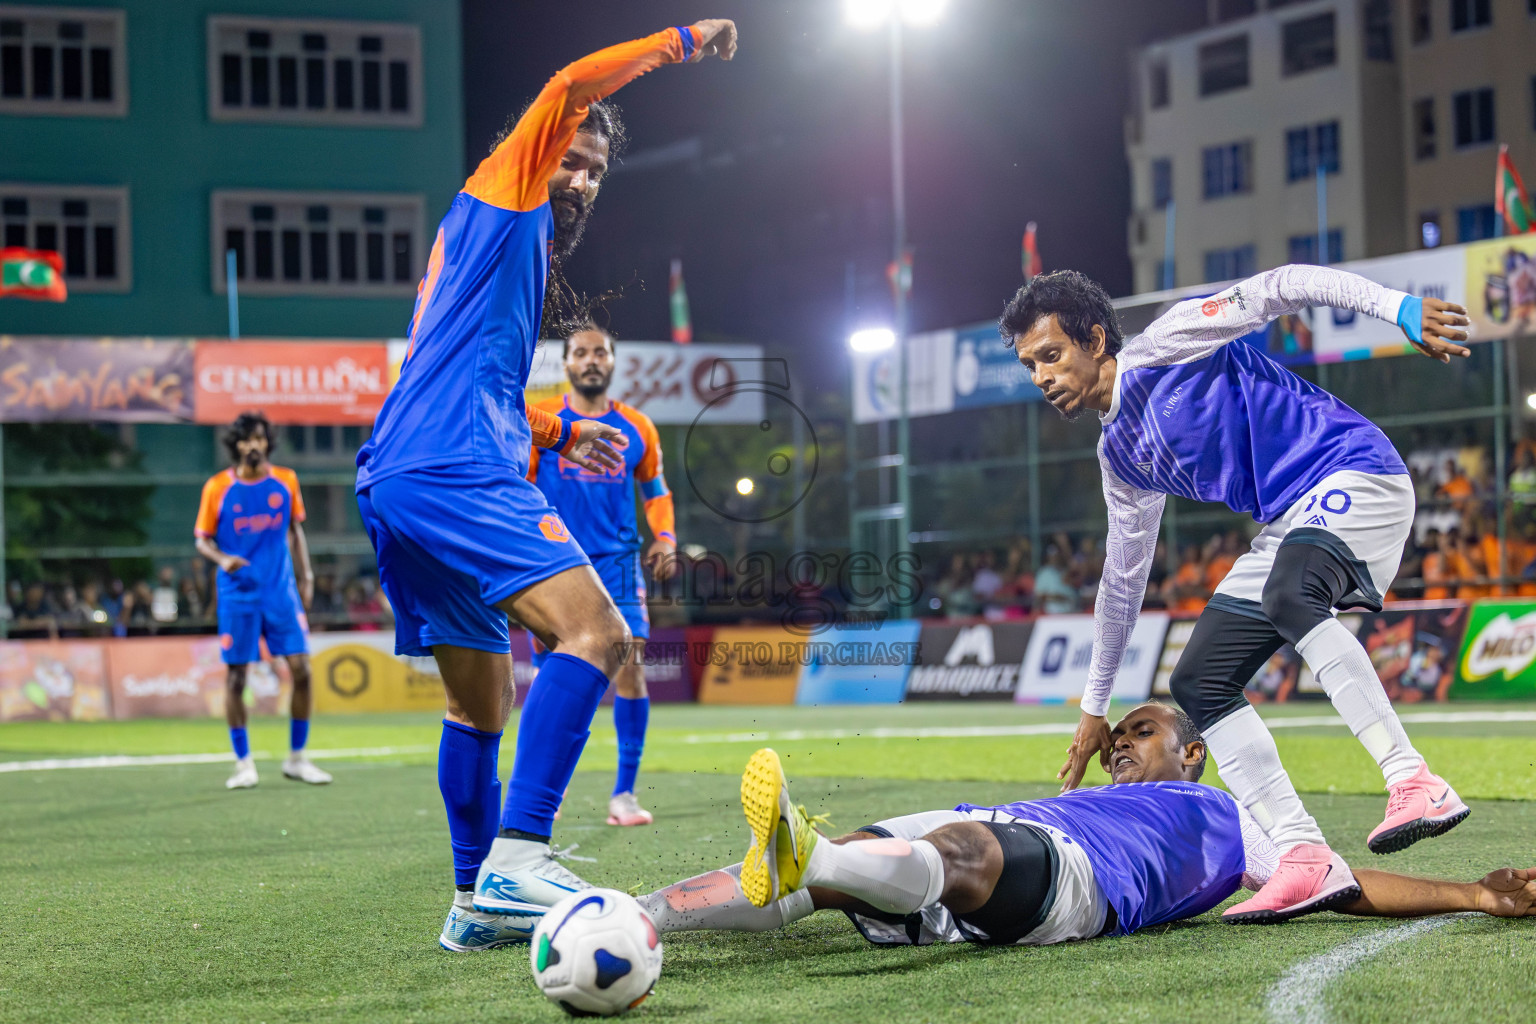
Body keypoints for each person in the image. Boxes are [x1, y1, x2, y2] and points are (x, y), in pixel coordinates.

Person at [350, 20, 737, 952]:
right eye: (573, 157)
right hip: (453, 470)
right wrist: (684, 39)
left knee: (479, 704)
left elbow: (466, 379)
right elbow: (567, 79)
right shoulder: (504, 192)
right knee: (599, 633)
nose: (582, 178)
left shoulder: (483, 248)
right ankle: (520, 859)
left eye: (597, 169)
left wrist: (562, 427)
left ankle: (470, 899)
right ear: (532, 152)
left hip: (400, 473)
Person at [1002, 266, 1474, 923]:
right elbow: (1122, 580)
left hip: (1354, 470)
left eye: (1051, 355)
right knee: (1199, 681)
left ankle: (1414, 780)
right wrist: (1094, 706)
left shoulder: (1168, 343)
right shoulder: (1121, 455)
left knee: (1290, 592)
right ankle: (1304, 856)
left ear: (1097, 341)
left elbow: (1283, 284)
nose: (1042, 376)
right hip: (1290, 521)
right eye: (1030, 365)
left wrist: (1398, 308)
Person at [641, 703, 1535, 945]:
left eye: (1140, 733)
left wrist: (1474, 896)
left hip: (1076, 878)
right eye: (1115, 741)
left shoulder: (1227, 816)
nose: (1119, 747)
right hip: (1001, 827)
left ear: (1194, 753)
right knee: (826, 879)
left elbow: (1341, 885)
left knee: (962, 852)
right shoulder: (1085, 792)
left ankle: (817, 852)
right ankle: (635, 916)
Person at [527, 324, 679, 827]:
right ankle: (551, 786)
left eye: (600, 352)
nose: (591, 359)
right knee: (556, 675)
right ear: (567, 363)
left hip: (618, 563)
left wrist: (665, 537)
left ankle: (624, 795)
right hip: (556, 562)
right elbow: (521, 484)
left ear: (613, 361)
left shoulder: (638, 426)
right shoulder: (544, 420)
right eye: (580, 352)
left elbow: (656, 491)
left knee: (630, 662)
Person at [195, 412, 327, 790]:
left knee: (302, 670)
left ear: (268, 442)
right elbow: (202, 538)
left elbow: (295, 530)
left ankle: (297, 758)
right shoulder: (217, 487)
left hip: (280, 592)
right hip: (238, 593)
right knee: (236, 677)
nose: (253, 445)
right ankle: (243, 763)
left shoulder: (286, 481)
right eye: (245, 439)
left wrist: (307, 576)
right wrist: (223, 560)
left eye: (259, 438)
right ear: (235, 445)